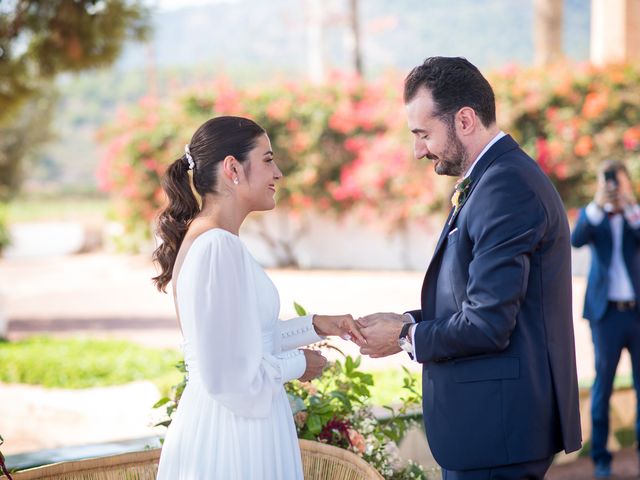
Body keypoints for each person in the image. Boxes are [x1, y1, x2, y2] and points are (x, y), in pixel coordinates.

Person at [356, 57, 582, 479]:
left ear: (464, 120)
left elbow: (488, 323)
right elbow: (475, 298)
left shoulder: (505, 187)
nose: (418, 149)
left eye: (423, 134)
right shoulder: (494, 179)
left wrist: (406, 337)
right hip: (492, 430)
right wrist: (406, 320)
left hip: (498, 434)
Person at [152, 116, 364, 479]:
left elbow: (244, 341)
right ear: (232, 168)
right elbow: (228, 375)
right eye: (267, 160)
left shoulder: (214, 241)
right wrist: (299, 365)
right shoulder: (218, 246)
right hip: (233, 434)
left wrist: (314, 326)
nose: (278, 172)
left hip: (232, 421)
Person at [571, 160, 640, 479]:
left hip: (636, 312)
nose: (614, 186)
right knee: (603, 384)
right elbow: (577, 239)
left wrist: (629, 207)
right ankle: (601, 456)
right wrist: (599, 204)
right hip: (605, 314)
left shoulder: (634, 214)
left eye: (618, 180)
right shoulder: (593, 214)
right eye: (608, 181)